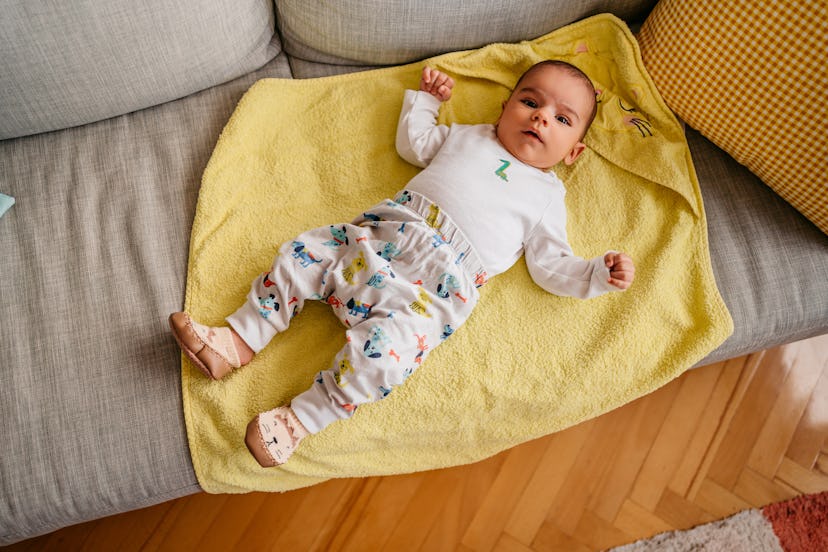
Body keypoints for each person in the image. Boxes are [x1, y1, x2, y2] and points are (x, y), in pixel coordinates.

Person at [169, 60, 635, 468]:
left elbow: (550, 264)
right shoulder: (471, 137)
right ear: (504, 108)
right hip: (380, 238)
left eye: (561, 118)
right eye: (530, 101)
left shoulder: (547, 196)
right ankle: (237, 340)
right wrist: (427, 102)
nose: (540, 117)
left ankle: (298, 421)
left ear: (573, 152)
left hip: (430, 294)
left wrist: (595, 273)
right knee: (302, 254)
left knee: (384, 359)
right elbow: (416, 144)